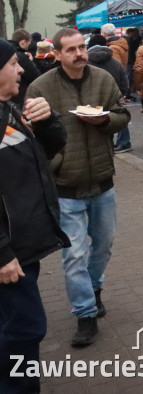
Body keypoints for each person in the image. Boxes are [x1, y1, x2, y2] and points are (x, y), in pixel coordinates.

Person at [25, 28, 130, 348]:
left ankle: (94, 287)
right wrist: (52, 162)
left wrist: (103, 121)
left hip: (102, 180)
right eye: (70, 50)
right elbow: (28, 130)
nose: (79, 54)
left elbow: (123, 115)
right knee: (74, 255)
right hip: (64, 185)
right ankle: (85, 313)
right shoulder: (40, 87)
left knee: (103, 246)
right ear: (56, 54)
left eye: (81, 47)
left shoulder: (102, 79)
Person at [0, 39, 70, 393]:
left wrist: (47, 121)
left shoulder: (10, 108)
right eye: (13, 63)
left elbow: (49, 150)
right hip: (9, 257)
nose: (22, 69)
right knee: (23, 331)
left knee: (18, 332)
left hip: (23, 248)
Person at [87, 38, 132, 154]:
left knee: (98, 122)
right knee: (119, 119)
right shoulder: (116, 63)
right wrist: (120, 94)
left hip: (93, 99)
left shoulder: (87, 64)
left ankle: (104, 146)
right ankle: (124, 142)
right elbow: (124, 82)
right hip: (114, 97)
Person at [6, 29, 39, 109]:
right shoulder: (21, 56)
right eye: (28, 43)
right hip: (19, 99)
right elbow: (36, 77)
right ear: (23, 42)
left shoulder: (7, 52)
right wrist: (31, 62)